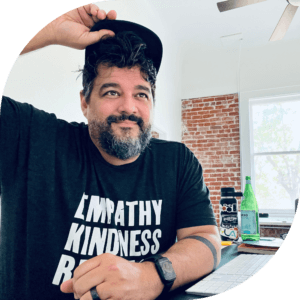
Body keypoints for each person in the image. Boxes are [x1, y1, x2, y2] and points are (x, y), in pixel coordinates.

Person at [0, 3, 221, 300]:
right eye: (112, 92)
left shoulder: (178, 162)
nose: (129, 108)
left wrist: (151, 275)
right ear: (84, 101)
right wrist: (47, 30)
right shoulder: (29, 138)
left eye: (141, 94)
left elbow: (205, 239)